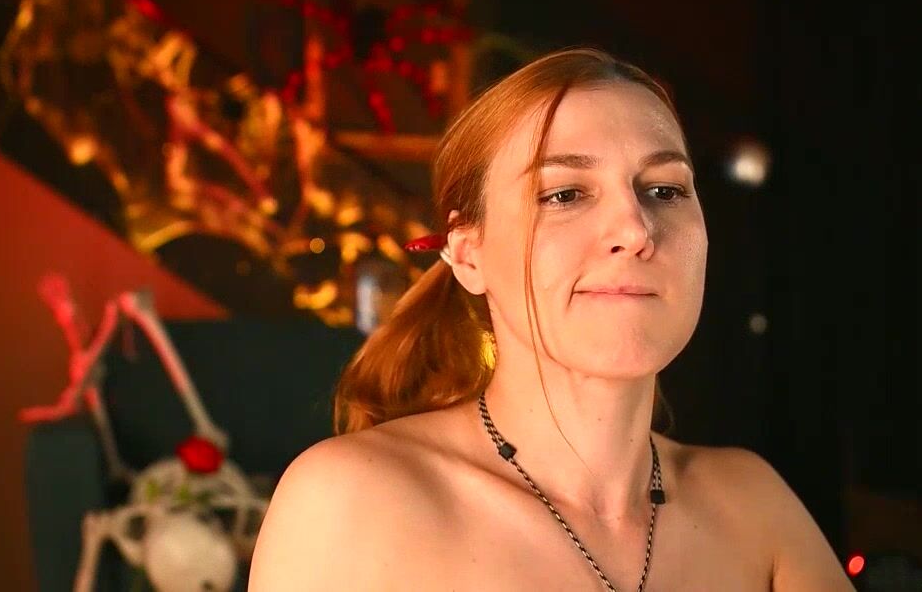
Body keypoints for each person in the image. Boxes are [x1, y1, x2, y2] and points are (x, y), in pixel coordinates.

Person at [248, 47, 853, 591]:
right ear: (468, 254)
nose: (635, 230)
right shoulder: (352, 505)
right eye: (564, 194)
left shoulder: (753, 506)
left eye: (665, 190)